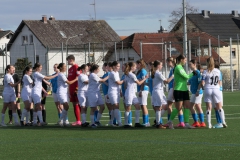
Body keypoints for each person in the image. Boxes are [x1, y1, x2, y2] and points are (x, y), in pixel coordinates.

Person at [197, 57, 227, 129]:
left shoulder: (205, 71)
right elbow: (220, 82)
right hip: (216, 89)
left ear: (207, 63)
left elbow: (203, 82)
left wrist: (199, 88)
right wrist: (220, 88)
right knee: (219, 107)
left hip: (208, 89)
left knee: (208, 108)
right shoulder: (218, 71)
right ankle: (223, 122)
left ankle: (209, 124)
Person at [168, 54, 196, 129]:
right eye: (185, 60)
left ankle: (186, 123)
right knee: (178, 108)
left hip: (185, 90)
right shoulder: (178, 67)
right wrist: (193, 72)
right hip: (179, 90)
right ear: (181, 60)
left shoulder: (181, 67)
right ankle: (170, 121)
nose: (186, 62)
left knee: (187, 106)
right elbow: (186, 76)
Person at [124, 62, 148, 128]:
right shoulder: (131, 74)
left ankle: (137, 123)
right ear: (131, 67)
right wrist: (145, 78)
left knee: (138, 106)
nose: (135, 67)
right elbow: (139, 83)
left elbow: (125, 85)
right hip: (129, 93)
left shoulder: (127, 74)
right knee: (128, 108)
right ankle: (126, 124)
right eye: (134, 66)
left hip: (132, 93)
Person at [152, 60, 174, 129]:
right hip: (158, 91)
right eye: (161, 65)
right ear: (158, 66)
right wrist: (173, 75)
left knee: (166, 106)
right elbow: (167, 81)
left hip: (160, 91)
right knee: (158, 108)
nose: (162, 66)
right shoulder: (158, 73)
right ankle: (158, 124)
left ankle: (157, 120)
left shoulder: (156, 73)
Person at [188, 59, 206, 127]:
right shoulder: (192, 73)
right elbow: (189, 82)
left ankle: (199, 122)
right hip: (194, 92)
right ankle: (199, 122)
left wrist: (198, 90)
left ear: (194, 64)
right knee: (195, 106)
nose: (189, 66)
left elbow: (200, 82)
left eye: (190, 64)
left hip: (197, 92)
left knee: (193, 106)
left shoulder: (198, 73)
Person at [108, 61, 124, 126]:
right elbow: (118, 82)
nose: (119, 67)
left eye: (119, 66)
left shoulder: (116, 73)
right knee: (116, 106)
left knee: (114, 107)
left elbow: (118, 84)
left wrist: (120, 91)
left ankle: (111, 121)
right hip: (112, 92)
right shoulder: (112, 73)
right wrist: (124, 80)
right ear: (114, 66)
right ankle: (119, 122)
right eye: (117, 66)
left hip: (116, 91)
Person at [67, 55, 81, 126]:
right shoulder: (70, 69)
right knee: (74, 104)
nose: (68, 62)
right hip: (71, 89)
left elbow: (79, 77)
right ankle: (78, 120)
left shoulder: (76, 67)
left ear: (71, 60)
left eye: (68, 60)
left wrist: (77, 88)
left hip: (76, 88)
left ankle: (79, 120)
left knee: (77, 104)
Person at [136, 59, 150, 126]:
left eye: (137, 64)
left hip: (144, 89)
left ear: (139, 64)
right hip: (141, 89)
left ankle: (146, 122)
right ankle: (145, 121)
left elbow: (144, 82)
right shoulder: (140, 71)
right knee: (142, 105)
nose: (136, 66)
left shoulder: (143, 71)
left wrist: (141, 90)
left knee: (144, 105)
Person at [212, 60, 224, 128]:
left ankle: (220, 122)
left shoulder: (216, 72)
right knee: (217, 107)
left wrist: (219, 89)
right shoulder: (218, 72)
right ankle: (221, 122)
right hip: (218, 91)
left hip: (217, 91)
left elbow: (220, 82)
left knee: (217, 107)